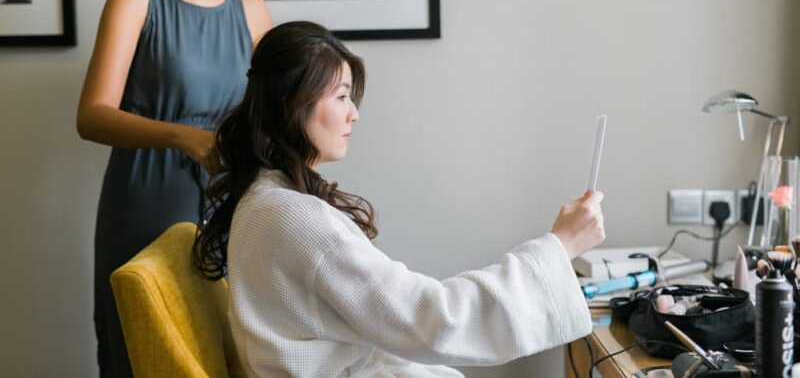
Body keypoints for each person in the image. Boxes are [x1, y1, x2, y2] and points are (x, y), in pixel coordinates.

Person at [193, 21, 605, 377]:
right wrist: (560, 246)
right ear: (292, 104)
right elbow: (432, 320)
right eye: (340, 96)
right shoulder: (293, 218)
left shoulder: (267, 200)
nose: (354, 113)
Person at [76, 0, 272, 377]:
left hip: (228, 199)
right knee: (142, 343)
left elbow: (267, 116)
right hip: (144, 198)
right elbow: (92, 115)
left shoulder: (252, 9)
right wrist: (182, 136)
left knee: (228, 345)